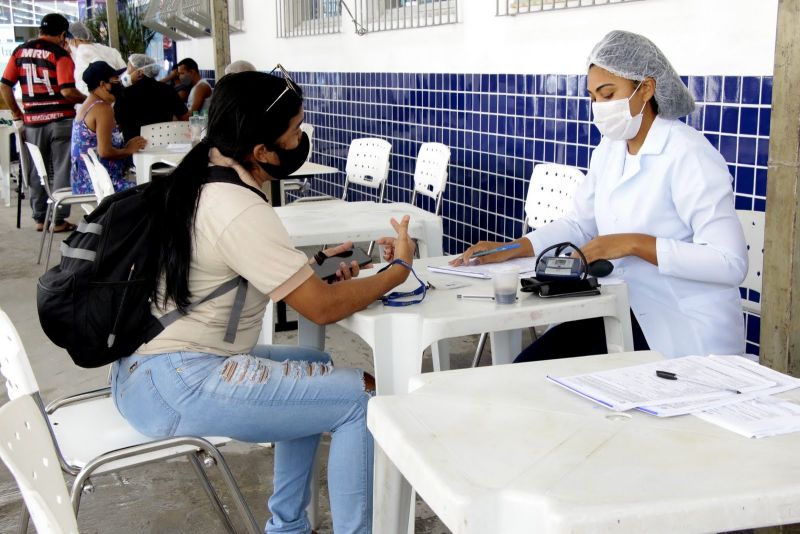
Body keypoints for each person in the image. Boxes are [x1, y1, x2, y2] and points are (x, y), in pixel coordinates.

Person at [111, 70, 416, 534]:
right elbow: (322, 309)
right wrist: (398, 271)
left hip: (149, 370)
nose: (301, 139)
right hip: (177, 381)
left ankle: (287, 526)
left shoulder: (201, 175)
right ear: (261, 152)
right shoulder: (236, 206)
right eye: (294, 132)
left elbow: (231, 271)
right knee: (361, 396)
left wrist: (316, 266)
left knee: (316, 363)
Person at [390, 30, 748, 360]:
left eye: (609, 94)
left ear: (647, 88)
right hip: (622, 307)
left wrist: (634, 244)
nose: (600, 107)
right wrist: (513, 248)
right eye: (594, 97)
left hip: (683, 325)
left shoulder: (689, 155)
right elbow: (579, 223)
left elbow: (730, 262)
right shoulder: (610, 150)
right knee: (527, 368)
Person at [0, 13, 85, 232]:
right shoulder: (60, 54)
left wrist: (17, 114)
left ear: (40, 30)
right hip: (61, 121)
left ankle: (40, 218)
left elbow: (5, 86)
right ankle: (57, 220)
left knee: (38, 169)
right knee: (61, 169)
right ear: (63, 34)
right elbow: (67, 91)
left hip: (32, 122)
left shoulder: (19, 52)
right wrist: (87, 100)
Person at [70, 61, 147, 195]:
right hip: (102, 184)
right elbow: (104, 151)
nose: (119, 84)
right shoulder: (102, 109)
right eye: (115, 80)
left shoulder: (88, 104)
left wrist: (125, 147)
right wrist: (128, 150)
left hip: (83, 182)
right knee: (151, 192)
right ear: (102, 84)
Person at [115, 53, 189, 142]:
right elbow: (185, 117)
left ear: (139, 72)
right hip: (164, 146)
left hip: (135, 150)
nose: (127, 73)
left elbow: (117, 124)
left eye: (129, 69)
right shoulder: (168, 90)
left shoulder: (125, 94)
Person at [66, 21, 126, 97]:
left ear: (74, 40)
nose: (68, 46)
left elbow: (83, 87)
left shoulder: (82, 52)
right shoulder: (107, 49)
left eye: (68, 42)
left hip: (103, 100)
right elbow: (124, 71)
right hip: (120, 94)